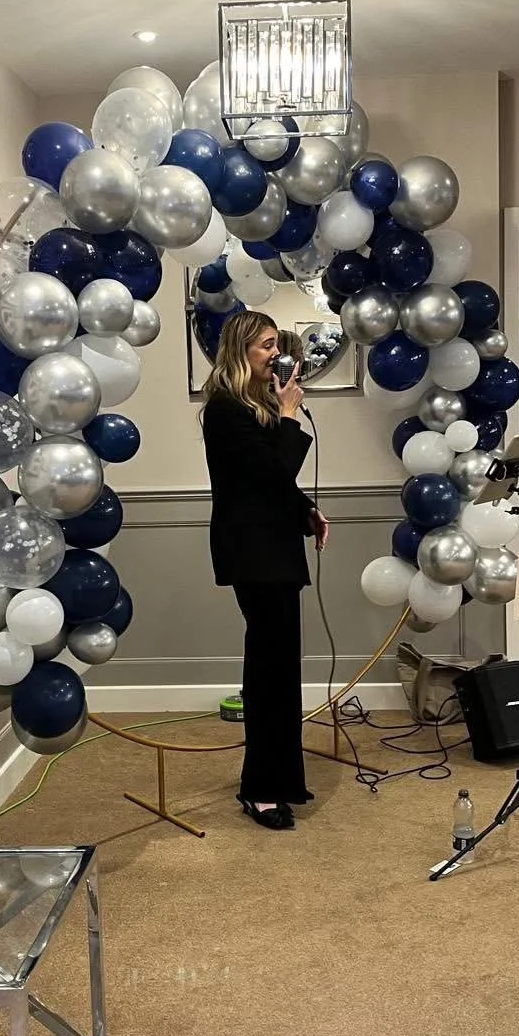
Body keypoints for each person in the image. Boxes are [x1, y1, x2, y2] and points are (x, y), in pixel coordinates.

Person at [201, 311, 330, 830]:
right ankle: (259, 789)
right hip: (252, 552)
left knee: (284, 669)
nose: (276, 356)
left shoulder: (256, 405)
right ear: (240, 351)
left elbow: (277, 486)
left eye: (278, 345)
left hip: (276, 546)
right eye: (266, 346)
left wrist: (307, 513)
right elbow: (269, 471)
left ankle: (284, 778)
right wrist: (291, 415)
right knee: (267, 671)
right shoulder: (224, 409)